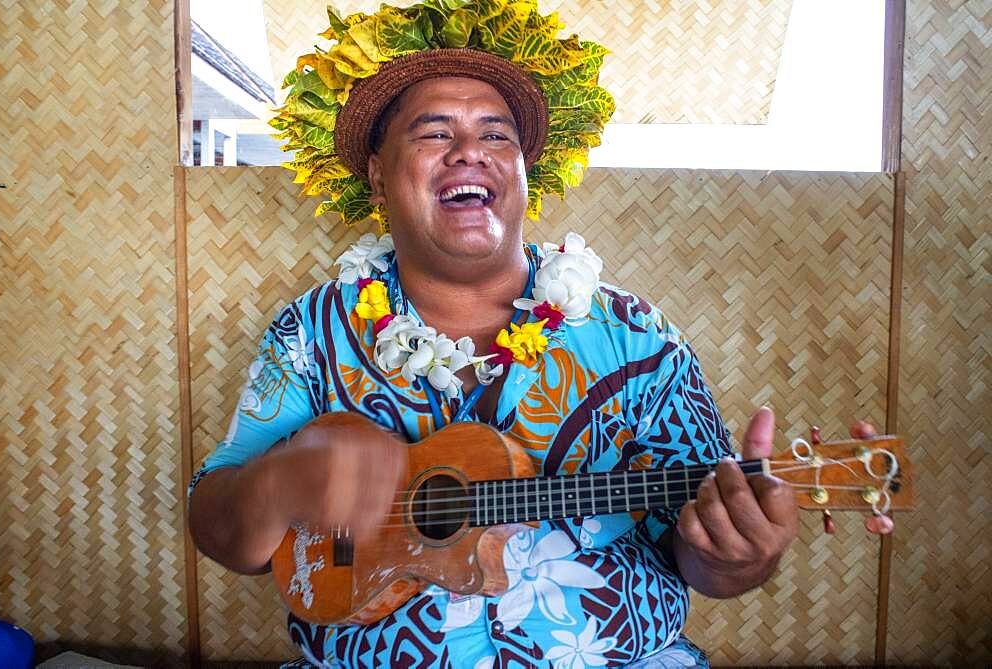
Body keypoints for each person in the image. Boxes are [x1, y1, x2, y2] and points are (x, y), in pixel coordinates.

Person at [188, 2, 875, 666]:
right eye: (434, 133)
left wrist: (740, 553)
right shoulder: (313, 331)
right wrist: (277, 484)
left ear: (522, 172)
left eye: (496, 135)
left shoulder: (638, 338)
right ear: (376, 173)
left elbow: (704, 556)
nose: (469, 153)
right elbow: (217, 525)